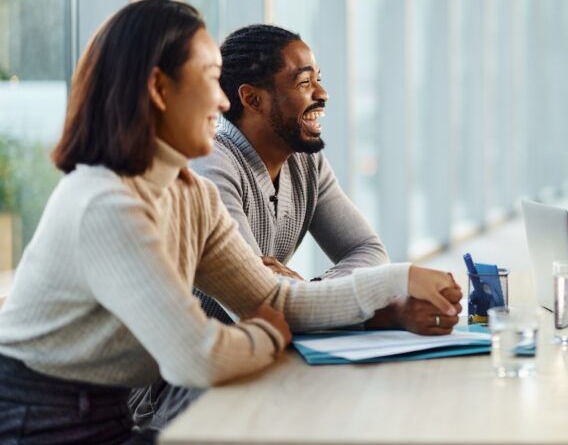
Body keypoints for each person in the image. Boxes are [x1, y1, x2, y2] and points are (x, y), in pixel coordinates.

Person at [0, 0, 459, 442]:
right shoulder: (105, 203)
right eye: (210, 79)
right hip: (39, 423)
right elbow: (199, 357)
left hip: (108, 416)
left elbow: (276, 298)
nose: (222, 103)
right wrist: (268, 331)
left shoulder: (190, 193)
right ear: (160, 90)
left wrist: (400, 278)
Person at [130, 23, 461, 432]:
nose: (322, 94)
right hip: (174, 388)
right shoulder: (209, 168)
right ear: (252, 99)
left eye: (318, 80)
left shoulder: (305, 159)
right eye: (305, 82)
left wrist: (306, 290)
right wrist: (365, 301)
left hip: (252, 352)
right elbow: (264, 306)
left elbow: (366, 251)